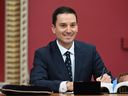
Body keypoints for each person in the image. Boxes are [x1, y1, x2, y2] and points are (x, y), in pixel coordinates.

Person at [30, 6, 113, 92]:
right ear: (53, 29)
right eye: (63, 25)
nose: (69, 30)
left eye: (73, 25)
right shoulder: (43, 54)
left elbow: (105, 75)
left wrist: (107, 79)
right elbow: (36, 82)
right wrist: (66, 86)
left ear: (77, 27)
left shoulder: (89, 51)